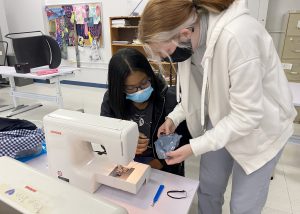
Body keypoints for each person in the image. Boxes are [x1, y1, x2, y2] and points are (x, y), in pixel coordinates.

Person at [138, 0, 297, 213]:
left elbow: (247, 117)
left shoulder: (238, 36)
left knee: (243, 206)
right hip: (223, 117)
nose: (166, 58)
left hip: (260, 131)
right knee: (209, 189)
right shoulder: (190, 43)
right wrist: (173, 118)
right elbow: (200, 93)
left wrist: (194, 147)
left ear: (184, 33)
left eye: (165, 51)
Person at [100, 48, 190, 176]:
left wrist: (158, 163)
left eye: (144, 83)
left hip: (162, 168)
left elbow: (183, 139)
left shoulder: (168, 98)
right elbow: (104, 135)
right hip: (126, 163)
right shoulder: (111, 100)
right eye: (131, 88)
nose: (140, 90)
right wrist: (124, 144)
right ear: (119, 87)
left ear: (150, 75)